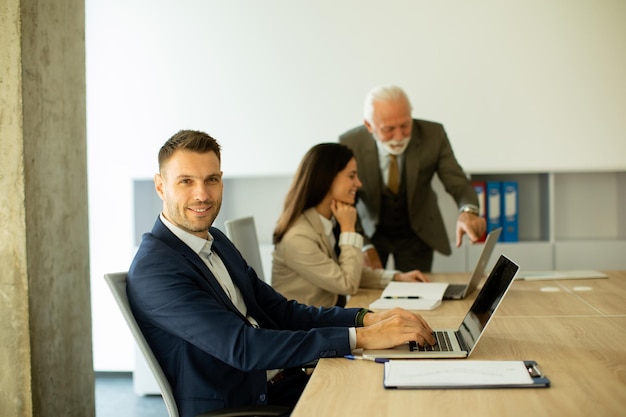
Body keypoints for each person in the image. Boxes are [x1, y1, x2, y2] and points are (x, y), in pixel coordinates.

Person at [126, 130, 436, 417]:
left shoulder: (215, 240)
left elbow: (281, 311)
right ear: (160, 185)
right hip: (241, 406)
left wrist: (365, 318)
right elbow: (244, 348)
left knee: (389, 385)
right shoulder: (156, 267)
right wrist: (363, 337)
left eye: (212, 180)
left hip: (275, 385)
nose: (202, 195)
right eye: (186, 182)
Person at [339, 85, 486, 272]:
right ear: (369, 125)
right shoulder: (350, 143)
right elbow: (346, 199)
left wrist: (469, 210)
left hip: (417, 235)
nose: (399, 136)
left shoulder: (434, 135)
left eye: (405, 125)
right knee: (369, 293)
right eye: (389, 129)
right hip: (370, 233)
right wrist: (364, 245)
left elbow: (457, 181)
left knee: (416, 294)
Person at [272, 143, 428, 308]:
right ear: (327, 178)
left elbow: (345, 272)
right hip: (304, 330)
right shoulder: (298, 236)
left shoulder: (325, 222)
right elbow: (347, 283)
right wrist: (348, 229)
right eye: (352, 176)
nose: (359, 183)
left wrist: (396, 278)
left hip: (323, 321)